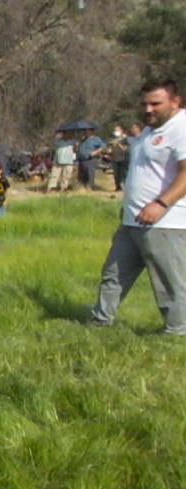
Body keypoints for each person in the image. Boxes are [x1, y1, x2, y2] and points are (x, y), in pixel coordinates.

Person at [90, 79, 186, 334]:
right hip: (133, 220)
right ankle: (99, 322)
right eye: (144, 104)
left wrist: (161, 204)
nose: (148, 109)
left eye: (156, 103)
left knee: (169, 282)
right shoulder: (148, 130)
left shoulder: (181, 128)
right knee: (113, 274)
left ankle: (177, 332)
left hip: (165, 221)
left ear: (175, 102)